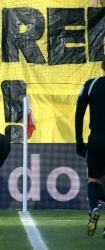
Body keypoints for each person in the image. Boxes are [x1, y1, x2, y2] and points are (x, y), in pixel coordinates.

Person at [76, 62, 105, 237]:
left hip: (97, 139)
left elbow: (79, 113)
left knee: (94, 180)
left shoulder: (91, 84)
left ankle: (94, 208)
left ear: (103, 66)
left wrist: (79, 140)